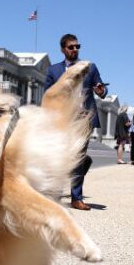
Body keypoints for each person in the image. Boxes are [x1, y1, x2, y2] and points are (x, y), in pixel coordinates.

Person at [44, 33, 107, 210]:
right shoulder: (53, 70)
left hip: (83, 118)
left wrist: (101, 90)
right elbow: (47, 95)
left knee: (78, 158)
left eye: (77, 46)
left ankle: (76, 198)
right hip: (62, 119)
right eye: (71, 47)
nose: (75, 50)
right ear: (63, 49)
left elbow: (101, 90)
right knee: (59, 157)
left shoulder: (90, 67)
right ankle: (54, 195)